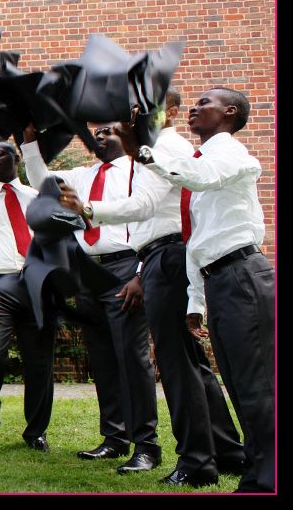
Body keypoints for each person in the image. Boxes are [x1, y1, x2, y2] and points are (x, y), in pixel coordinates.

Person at [58, 90, 245, 487]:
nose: (132, 114)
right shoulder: (157, 147)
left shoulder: (163, 145)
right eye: (131, 108)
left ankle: (196, 461)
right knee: (192, 363)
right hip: (164, 256)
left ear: (169, 112)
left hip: (169, 255)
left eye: (141, 108)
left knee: (178, 366)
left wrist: (89, 209)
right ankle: (227, 451)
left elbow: (142, 206)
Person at [135, 87, 274, 493]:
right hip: (220, 280)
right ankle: (257, 470)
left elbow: (200, 179)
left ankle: (267, 479)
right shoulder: (204, 159)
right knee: (237, 383)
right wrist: (196, 300)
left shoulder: (227, 152)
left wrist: (148, 153)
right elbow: (199, 243)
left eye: (204, 104)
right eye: (192, 104)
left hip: (243, 275)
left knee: (256, 385)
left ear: (229, 113)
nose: (194, 109)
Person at [22, 126, 162, 474]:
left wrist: (141, 273)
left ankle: (147, 445)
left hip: (125, 267)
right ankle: (114, 438)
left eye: (109, 131)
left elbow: (152, 218)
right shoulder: (80, 175)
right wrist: (28, 141)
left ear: (125, 137)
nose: (100, 135)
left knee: (132, 357)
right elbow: (41, 180)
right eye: (96, 131)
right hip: (88, 272)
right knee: (101, 358)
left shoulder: (139, 171)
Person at [0, 141, 55, 456]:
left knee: (40, 362)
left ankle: (36, 431)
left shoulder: (37, 198)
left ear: (16, 158)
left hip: (38, 285)